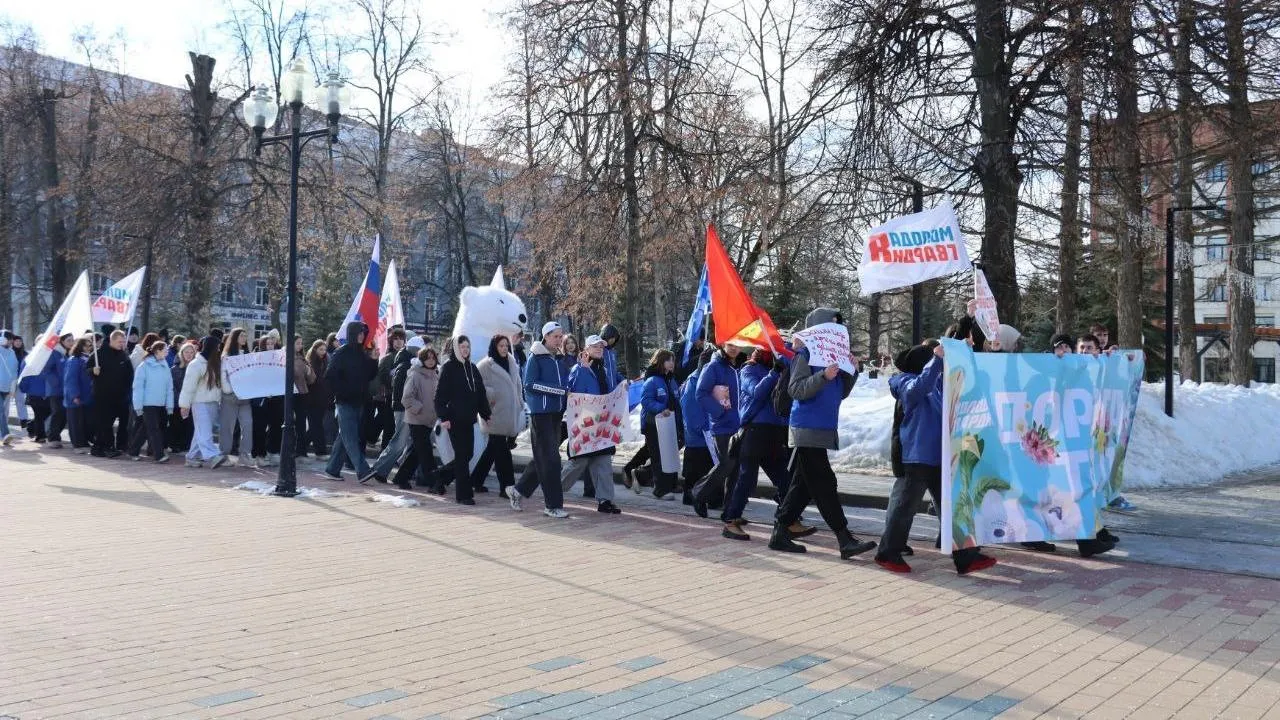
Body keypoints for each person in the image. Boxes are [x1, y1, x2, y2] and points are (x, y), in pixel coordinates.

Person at [876, 342, 997, 574]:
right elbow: (917, 389)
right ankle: (887, 552)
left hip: (941, 454)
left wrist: (964, 346)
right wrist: (936, 361)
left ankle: (966, 557)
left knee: (952, 507)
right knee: (906, 507)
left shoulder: (939, 384)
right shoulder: (904, 383)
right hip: (919, 456)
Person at [769, 308, 878, 560]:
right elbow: (796, 389)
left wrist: (852, 371)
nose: (837, 328)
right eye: (832, 323)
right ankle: (844, 539)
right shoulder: (804, 354)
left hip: (823, 428)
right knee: (825, 484)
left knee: (803, 486)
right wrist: (822, 375)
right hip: (806, 428)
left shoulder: (835, 357)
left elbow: (840, 392)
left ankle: (780, 532)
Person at [722, 348, 791, 540]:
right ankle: (731, 520)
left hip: (774, 432)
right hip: (755, 430)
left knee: (785, 480)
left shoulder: (780, 369)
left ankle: (788, 518)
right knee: (747, 480)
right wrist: (774, 373)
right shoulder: (748, 370)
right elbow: (757, 392)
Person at [509, 322, 570, 518]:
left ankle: (517, 491)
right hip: (541, 415)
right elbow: (530, 384)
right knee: (551, 460)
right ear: (546, 337)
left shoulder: (560, 359)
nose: (559, 340)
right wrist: (558, 390)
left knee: (543, 458)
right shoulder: (535, 357)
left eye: (561, 336)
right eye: (555, 337)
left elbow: (567, 383)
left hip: (556, 414)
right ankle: (552, 506)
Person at [560, 334, 623, 514]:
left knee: (603, 463)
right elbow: (573, 394)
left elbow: (615, 386)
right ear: (586, 349)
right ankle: (555, 490)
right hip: (585, 424)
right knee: (579, 462)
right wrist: (582, 369)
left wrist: (624, 385)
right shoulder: (578, 369)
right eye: (595, 346)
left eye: (601, 347)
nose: (598, 349)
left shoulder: (605, 369)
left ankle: (605, 500)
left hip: (603, 423)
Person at [434, 335, 490, 505]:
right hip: (454, 420)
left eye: (467, 346)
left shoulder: (472, 368)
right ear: (455, 349)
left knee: (468, 454)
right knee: (462, 455)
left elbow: (480, 394)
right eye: (462, 347)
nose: (465, 350)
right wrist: (444, 417)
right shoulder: (448, 368)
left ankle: (439, 476)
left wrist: (486, 413)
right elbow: (439, 396)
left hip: (469, 419)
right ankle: (463, 495)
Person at [693, 342, 744, 515]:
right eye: (731, 344)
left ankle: (730, 511)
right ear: (723, 344)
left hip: (738, 425)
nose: (734, 348)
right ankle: (699, 494)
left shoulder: (737, 367)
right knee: (726, 465)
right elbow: (701, 393)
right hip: (721, 425)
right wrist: (719, 412)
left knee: (735, 469)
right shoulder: (713, 366)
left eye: (738, 345)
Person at [323, 322, 378, 480]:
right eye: (359, 333)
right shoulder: (341, 353)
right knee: (351, 437)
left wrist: (373, 360)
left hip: (358, 401)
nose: (362, 335)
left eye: (363, 333)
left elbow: (369, 376)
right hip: (344, 401)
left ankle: (332, 469)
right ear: (353, 334)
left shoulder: (361, 353)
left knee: (345, 437)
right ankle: (363, 470)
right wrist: (342, 392)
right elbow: (330, 376)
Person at [471, 335, 523, 497]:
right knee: (503, 452)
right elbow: (478, 387)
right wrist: (491, 395)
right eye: (501, 346)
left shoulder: (512, 362)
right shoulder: (485, 365)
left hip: (509, 412)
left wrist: (520, 401)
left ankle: (475, 480)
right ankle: (507, 487)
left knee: (492, 450)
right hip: (493, 414)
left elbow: (518, 384)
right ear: (494, 346)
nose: (504, 348)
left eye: (506, 345)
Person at [361, 334, 416, 484]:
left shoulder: (412, 363)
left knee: (408, 442)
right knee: (397, 440)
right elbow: (388, 382)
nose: (398, 342)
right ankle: (379, 469)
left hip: (407, 408)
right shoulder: (401, 363)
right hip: (392, 403)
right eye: (395, 339)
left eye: (401, 339)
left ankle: (405, 474)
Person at [395, 346, 442, 491]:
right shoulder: (415, 374)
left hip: (429, 420)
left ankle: (401, 478)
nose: (430, 361)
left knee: (417, 452)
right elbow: (406, 398)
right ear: (422, 359)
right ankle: (435, 483)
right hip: (416, 420)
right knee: (426, 452)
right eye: (427, 358)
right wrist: (420, 409)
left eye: (433, 358)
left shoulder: (436, 374)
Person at [638, 349, 682, 501]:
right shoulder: (652, 380)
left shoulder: (671, 380)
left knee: (669, 454)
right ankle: (660, 489)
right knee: (658, 456)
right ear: (660, 361)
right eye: (668, 360)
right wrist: (660, 409)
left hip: (669, 423)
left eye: (673, 360)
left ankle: (670, 484)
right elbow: (646, 401)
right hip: (654, 424)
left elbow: (677, 400)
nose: (672, 363)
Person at [179, 336, 227, 468]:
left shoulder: (214, 363)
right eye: (217, 347)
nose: (219, 350)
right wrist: (184, 405)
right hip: (199, 403)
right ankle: (212, 456)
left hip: (212, 403)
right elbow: (188, 387)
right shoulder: (196, 365)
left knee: (200, 431)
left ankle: (191, 457)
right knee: (204, 431)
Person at [88, 329, 134, 458]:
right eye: (120, 341)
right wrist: (93, 371)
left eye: (124, 341)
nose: (122, 344)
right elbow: (86, 369)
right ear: (112, 340)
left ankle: (104, 446)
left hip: (120, 396)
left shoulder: (124, 355)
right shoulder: (99, 354)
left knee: (119, 423)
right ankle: (106, 447)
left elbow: (129, 373)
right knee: (105, 423)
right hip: (103, 395)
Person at [679, 347, 715, 505]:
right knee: (695, 472)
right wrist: (704, 428)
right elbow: (690, 410)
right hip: (699, 437)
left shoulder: (708, 380)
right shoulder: (693, 383)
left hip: (708, 435)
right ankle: (692, 497)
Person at [128, 340, 173, 463]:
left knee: (145, 429)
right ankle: (159, 455)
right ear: (158, 351)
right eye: (165, 350)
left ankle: (132, 450)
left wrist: (169, 405)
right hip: (147, 404)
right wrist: (138, 406)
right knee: (154, 429)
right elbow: (138, 387)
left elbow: (169, 387)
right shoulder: (144, 366)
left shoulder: (165, 366)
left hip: (160, 404)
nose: (167, 352)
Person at [218, 328, 255, 466]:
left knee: (247, 424)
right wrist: (229, 390)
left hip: (245, 398)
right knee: (227, 427)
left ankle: (245, 454)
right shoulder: (226, 355)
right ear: (235, 338)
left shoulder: (248, 355)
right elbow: (223, 376)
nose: (244, 338)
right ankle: (224, 455)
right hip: (230, 397)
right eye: (241, 336)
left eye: (245, 336)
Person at [250, 330, 283, 467]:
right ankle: (259, 454)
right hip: (260, 399)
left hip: (275, 398)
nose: (270, 346)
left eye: (272, 343)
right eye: (267, 344)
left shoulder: (279, 358)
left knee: (276, 425)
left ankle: (273, 451)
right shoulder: (255, 358)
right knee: (259, 427)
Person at [63, 337, 94, 454]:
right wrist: (74, 395)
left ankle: (84, 441)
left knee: (85, 421)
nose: (88, 348)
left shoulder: (88, 359)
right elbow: (70, 380)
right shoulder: (74, 360)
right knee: (75, 422)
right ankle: (77, 444)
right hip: (76, 397)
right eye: (85, 346)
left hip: (86, 396)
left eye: (89, 346)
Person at [168, 342, 197, 453]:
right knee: (176, 424)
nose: (189, 355)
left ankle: (187, 445)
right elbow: (172, 387)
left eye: (191, 352)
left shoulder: (196, 368)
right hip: (177, 403)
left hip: (192, 402)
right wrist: (181, 401)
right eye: (186, 352)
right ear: (181, 353)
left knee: (189, 425)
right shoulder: (174, 369)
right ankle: (175, 444)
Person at [305, 340, 332, 458]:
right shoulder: (311, 362)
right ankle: (320, 451)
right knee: (316, 425)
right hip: (312, 398)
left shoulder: (326, 361)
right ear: (315, 349)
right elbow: (312, 381)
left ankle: (299, 447)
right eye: (321, 349)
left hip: (323, 398)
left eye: (324, 350)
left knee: (316, 425)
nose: (323, 352)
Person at [291, 335, 316, 458]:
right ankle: (288, 448)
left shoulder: (303, 359)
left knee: (301, 423)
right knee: (289, 422)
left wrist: (308, 370)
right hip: (290, 394)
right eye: (297, 343)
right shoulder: (285, 357)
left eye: (301, 343)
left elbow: (312, 380)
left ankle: (300, 450)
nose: (300, 346)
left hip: (302, 394)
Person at [0, 330, 19, 445]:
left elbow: (14, 370)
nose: (12, 341)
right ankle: (5, 434)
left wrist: (13, 387)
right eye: (10, 338)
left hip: (6, 387)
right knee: (1, 411)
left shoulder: (12, 352)